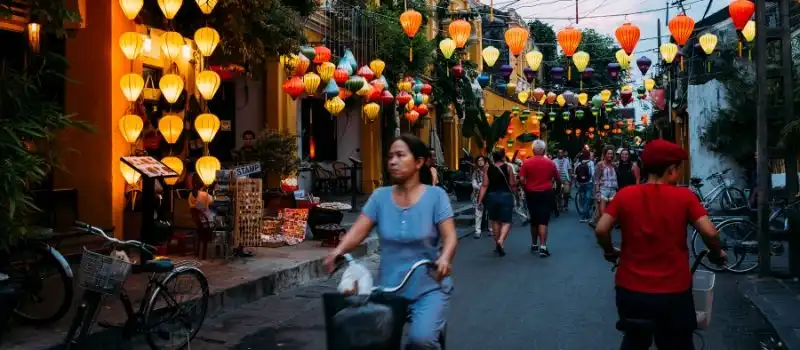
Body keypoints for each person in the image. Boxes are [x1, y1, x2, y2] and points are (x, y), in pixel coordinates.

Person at [324, 134, 457, 349]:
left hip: (428, 286)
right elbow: (358, 231)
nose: (392, 161)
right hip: (389, 288)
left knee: (420, 340)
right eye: (390, 156)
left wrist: (444, 258)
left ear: (418, 162)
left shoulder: (436, 196)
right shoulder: (380, 197)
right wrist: (337, 251)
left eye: (400, 155)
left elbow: (450, 236)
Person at [594, 139, 727, 350]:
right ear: (672, 170)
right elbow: (710, 232)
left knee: (635, 341)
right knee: (677, 344)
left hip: (631, 290)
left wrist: (610, 251)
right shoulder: (685, 197)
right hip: (673, 291)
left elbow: (601, 229)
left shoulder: (625, 195)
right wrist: (717, 252)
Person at [519, 140, 560, 257]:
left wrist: (526, 188)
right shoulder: (550, 163)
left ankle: (534, 244)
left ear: (533, 150)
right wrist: (556, 191)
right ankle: (543, 246)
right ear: (544, 150)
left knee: (534, 220)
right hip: (546, 193)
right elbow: (557, 178)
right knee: (543, 220)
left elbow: (521, 179)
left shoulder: (526, 163)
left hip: (531, 193)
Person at [477, 149, 516, 256]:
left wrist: (479, 200)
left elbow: (484, 185)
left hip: (492, 197)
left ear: (493, 158)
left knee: (494, 221)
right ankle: (501, 241)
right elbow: (512, 184)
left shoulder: (488, 168)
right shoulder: (508, 167)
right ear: (503, 157)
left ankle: (497, 243)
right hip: (505, 196)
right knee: (506, 221)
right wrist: (515, 193)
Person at [594, 146, 618, 222]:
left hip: (613, 191)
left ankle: (608, 231)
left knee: (613, 217)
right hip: (603, 190)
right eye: (608, 153)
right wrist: (597, 192)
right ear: (604, 154)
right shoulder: (600, 165)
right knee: (603, 216)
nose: (610, 155)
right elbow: (596, 179)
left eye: (611, 154)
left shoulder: (614, 165)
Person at [574, 150, 595, 223]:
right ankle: (584, 216)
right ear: (589, 155)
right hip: (589, 183)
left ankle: (584, 213)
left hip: (581, 183)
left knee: (583, 199)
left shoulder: (579, 163)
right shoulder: (591, 163)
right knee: (587, 199)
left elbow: (576, 173)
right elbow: (592, 174)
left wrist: (578, 181)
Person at [471, 155, 489, 239]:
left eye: (482, 160)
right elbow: (474, 184)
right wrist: (481, 187)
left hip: (488, 194)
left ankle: (491, 228)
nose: (480, 162)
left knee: (490, 211)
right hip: (478, 194)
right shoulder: (476, 172)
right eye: (478, 160)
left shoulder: (489, 171)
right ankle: (477, 230)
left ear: (485, 161)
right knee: (478, 212)